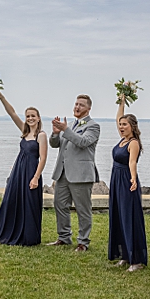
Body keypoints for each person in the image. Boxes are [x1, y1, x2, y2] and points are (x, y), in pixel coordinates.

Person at [0, 89, 47, 246]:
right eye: (28, 116)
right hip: (18, 171)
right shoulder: (24, 131)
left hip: (31, 171)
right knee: (12, 200)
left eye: (32, 116)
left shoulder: (41, 135)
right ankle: (9, 232)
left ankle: (28, 237)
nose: (30, 118)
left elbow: (43, 158)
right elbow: (12, 113)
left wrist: (35, 177)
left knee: (29, 203)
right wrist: (0, 96)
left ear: (38, 118)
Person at [48, 94, 100, 251]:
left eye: (81, 105)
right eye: (76, 104)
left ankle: (83, 241)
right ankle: (64, 237)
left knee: (82, 209)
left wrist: (65, 130)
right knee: (59, 204)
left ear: (88, 108)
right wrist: (56, 133)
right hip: (63, 173)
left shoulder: (93, 126)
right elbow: (55, 144)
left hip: (81, 174)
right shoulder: (69, 125)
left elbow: (83, 142)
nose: (77, 107)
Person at [107, 98, 147, 271]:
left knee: (129, 218)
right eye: (120, 124)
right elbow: (118, 117)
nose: (121, 126)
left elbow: (132, 163)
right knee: (118, 216)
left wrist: (133, 178)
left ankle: (136, 260)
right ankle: (124, 254)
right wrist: (121, 102)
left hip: (125, 181)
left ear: (132, 126)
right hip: (116, 180)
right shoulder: (122, 140)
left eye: (125, 124)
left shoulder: (133, 143)